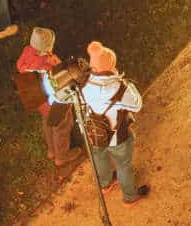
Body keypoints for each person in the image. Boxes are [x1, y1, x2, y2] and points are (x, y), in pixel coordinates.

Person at [81, 42, 147, 204]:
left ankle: (106, 184)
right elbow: (137, 105)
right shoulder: (118, 87)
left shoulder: (83, 83)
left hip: (94, 133)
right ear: (110, 66)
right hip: (117, 137)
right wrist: (127, 83)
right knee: (123, 164)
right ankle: (130, 197)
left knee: (99, 157)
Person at [16, 28, 85, 171]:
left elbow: (19, 65)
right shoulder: (48, 64)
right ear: (47, 48)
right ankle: (62, 156)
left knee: (48, 122)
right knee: (62, 126)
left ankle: (51, 150)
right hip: (55, 103)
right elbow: (62, 76)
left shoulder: (27, 52)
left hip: (39, 100)